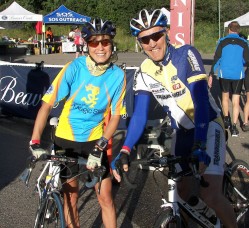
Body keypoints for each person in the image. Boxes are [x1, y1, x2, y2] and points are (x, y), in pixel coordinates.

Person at [112, 9, 237, 228]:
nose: (152, 43)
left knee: (210, 195)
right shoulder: (144, 72)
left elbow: (199, 101)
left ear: (166, 33)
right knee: (182, 193)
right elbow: (140, 115)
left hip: (207, 126)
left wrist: (199, 143)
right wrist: (125, 149)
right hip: (181, 131)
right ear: (139, 43)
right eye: (145, 39)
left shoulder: (186, 55)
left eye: (156, 36)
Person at [29, 17, 126, 228]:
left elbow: (116, 116)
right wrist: (35, 140)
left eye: (105, 42)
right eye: (94, 42)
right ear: (87, 45)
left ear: (112, 44)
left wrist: (100, 146)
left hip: (94, 142)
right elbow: (46, 105)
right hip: (66, 140)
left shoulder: (118, 75)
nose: (100, 47)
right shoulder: (74, 67)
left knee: (106, 198)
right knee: (71, 198)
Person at [209, 21, 249, 136]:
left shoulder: (222, 41)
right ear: (238, 30)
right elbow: (246, 60)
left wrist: (211, 73)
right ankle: (235, 127)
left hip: (224, 73)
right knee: (236, 101)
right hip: (238, 74)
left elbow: (217, 58)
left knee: (225, 96)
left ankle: (226, 118)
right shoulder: (244, 42)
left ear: (229, 30)